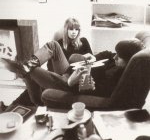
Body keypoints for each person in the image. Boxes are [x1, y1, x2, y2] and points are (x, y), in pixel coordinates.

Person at [1, 38, 145, 110]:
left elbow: (90, 91)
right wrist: (92, 57)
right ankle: (25, 68)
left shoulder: (116, 79)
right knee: (53, 45)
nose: (114, 57)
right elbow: (107, 54)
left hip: (70, 85)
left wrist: (73, 81)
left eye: (119, 58)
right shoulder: (115, 59)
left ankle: (26, 75)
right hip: (71, 72)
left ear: (128, 62)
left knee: (33, 71)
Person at [1, 17, 93, 109]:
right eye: (71, 29)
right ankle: (27, 66)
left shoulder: (84, 42)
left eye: (76, 29)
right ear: (66, 30)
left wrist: (89, 59)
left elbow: (91, 64)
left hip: (76, 77)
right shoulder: (60, 43)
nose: (74, 32)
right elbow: (50, 66)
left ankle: (27, 73)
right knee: (52, 46)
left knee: (31, 72)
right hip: (63, 73)